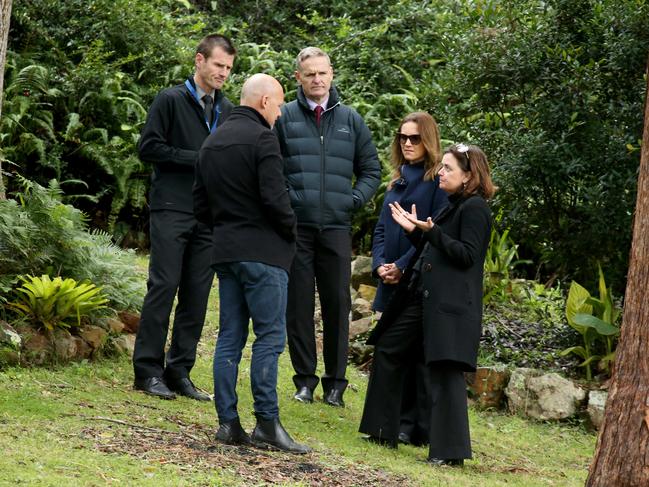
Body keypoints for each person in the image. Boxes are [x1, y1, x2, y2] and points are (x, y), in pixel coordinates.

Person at [194, 73, 310, 454]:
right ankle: (267, 423)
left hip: (226, 252)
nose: (279, 112)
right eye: (277, 104)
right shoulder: (263, 139)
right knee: (271, 337)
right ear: (263, 103)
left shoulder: (211, 142)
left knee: (229, 337)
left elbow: (200, 204)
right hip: (264, 253)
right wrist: (290, 233)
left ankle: (228, 423)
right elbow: (276, 200)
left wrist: (226, 229)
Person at [359, 144, 495, 466]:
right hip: (423, 297)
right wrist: (415, 232)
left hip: (450, 306)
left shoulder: (475, 209)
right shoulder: (453, 204)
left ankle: (450, 455)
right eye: (442, 167)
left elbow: (466, 256)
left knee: (446, 371)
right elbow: (439, 251)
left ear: (469, 175)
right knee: (389, 347)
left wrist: (431, 231)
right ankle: (381, 429)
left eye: (448, 168)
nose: (441, 173)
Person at [275, 47, 381, 408]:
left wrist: (351, 201)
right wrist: (289, 202)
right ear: (298, 78)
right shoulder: (283, 117)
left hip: (336, 228)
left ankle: (335, 384)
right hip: (297, 229)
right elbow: (271, 167)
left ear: (331, 74)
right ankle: (304, 381)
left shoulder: (351, 120)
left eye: (322, 73)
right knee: (298, 305)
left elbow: (371, 170)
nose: (317, 80)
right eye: (310, 74)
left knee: (337, 304)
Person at [132, 34, 236, 401]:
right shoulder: (170, 100)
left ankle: (179, 372)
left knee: (197, 295)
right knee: (163, 287)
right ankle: (147, 371)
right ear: (199, 61)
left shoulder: (228, 109)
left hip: (209, 216)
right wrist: (197, 158)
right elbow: (149, 148)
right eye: (218, 65)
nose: (223, 73)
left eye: (228, 68)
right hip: (172, 209)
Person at [371, 112, 448, 447]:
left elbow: (433, 234)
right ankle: (398, 420)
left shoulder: (437, 183)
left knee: (414, 353)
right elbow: (381, 228)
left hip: (416, 280)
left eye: (415, 138)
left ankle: (413, 425)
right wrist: (379, 266)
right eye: (402, 137)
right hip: (389, 277)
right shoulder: (397, 178)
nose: (407, 143)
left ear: (428, 141)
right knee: (393, 349)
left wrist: (402, 265)